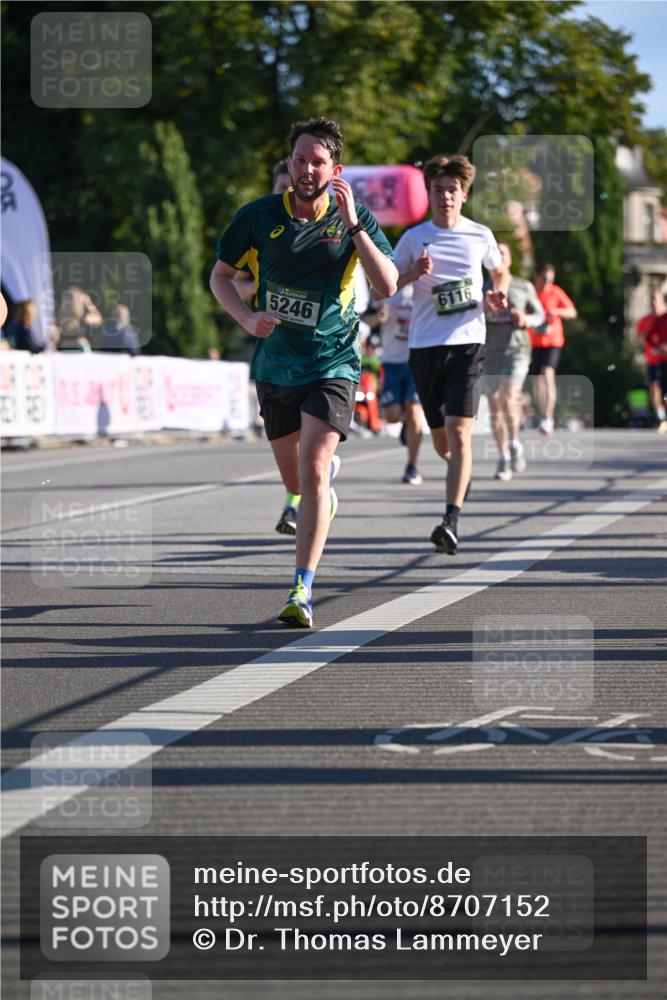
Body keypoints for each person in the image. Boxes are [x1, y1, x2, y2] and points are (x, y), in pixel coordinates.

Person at [210, 116, 397, 627]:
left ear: (335, 169)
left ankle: (302, 588)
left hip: (332, 361)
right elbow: (221, 276)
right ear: (289, 164)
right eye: (299, 160)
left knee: (314, 470)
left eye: (318, 162)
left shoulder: (351, 218)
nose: (307, 169)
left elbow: (387, 284)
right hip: (275, 365)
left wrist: (355, 223)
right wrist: (246, 317)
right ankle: (315, 493)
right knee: (297, 480)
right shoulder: (258, 217)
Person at [393, 154, 507, 555]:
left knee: (460, 435)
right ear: (429, 193)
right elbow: (384, 286)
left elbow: (499, 269)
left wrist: (495, 293)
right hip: (425, 348)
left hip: (467, 343)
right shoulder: (412, 238)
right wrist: (412, 275)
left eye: (452, 191)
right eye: (438, 190)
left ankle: (450, 519)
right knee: (443, 444)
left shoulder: (480, 235)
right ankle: (461, 471)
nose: (445, 197)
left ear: (464, 194)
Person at [483, 241, 544, 481]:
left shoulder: (522, 286)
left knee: (508, 397)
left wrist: (526, 318)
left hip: (517, 350)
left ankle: (515, 443)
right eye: (494, 252)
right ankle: (504, 456)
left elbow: (540, 315)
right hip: (490, 353)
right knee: (495, 406)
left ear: (509, 259)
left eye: (503, 252)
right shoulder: (481, 288)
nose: (498, 255)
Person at [374, 283, 425, 484]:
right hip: (391, 362)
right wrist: (378, 316)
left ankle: (412, 466)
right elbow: (366, 320)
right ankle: (407, 424)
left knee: (414, 411)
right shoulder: (386, 287)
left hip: (416, 359)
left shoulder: (424, 289)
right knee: (392, 416)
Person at [528, 263, 577, 435]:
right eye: (544, 279)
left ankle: (548, 417)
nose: (547, 283)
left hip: (553, 340)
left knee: (547, 374)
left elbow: (572, 311)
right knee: (536, 381)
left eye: (550, 279)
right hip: (533, 341)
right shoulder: (530, 292)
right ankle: (543, 417)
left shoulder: (555, 292)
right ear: (537, 276)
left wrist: (556, 311)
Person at [636, 291, 667, 433]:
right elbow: (642, 338)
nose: (654, 303)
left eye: (657, 300)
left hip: (665, 360)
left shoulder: (664, 318)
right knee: (654, 389)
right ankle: (661, 418)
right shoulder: (646, 320)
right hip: (652, 360)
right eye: (652, 300)